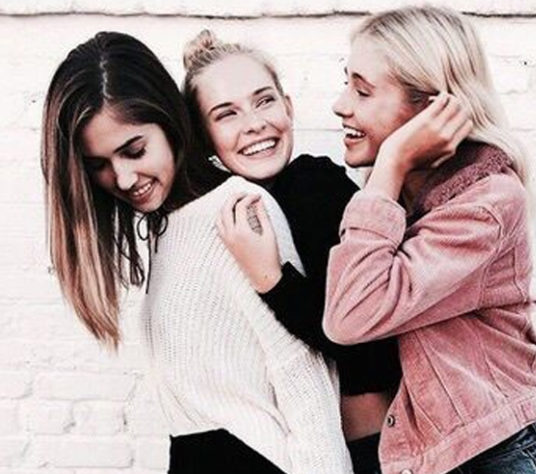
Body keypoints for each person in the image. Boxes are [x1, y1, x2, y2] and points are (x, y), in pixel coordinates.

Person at [41, 31, 352, 474]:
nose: (123, 178)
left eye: (135, 150)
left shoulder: (235, 210)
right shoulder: (171, 225)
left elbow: (301, 370)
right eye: (99, 165)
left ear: (171, 125)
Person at [323, 6, 536, 474]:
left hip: (514, 457)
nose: (340, 104)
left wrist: (391, 161)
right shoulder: (400, 198)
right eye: (346, 83)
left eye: (363, 91)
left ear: (432, 111)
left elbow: (351, 315)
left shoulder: (487, 202)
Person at [180, 30, 466, 473]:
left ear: (288, 107)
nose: (254, 123)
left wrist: (274, 282)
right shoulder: (215, 219)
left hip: (377, 451)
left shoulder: (315, 187)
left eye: (264, 101)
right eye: (227, 114)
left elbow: (366, 344)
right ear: (203, 138)